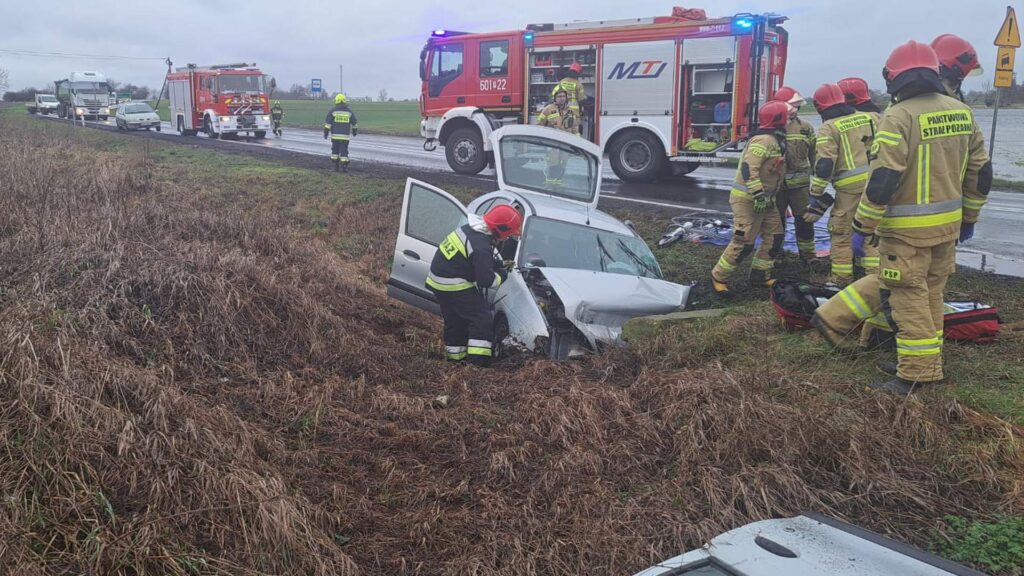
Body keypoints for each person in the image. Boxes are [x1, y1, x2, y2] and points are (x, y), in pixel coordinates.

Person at [812, 35, 987, 364]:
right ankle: (889, 341)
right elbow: (982, 172)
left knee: (908, 295)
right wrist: (969, 218)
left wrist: (862, 227)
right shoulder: (963, 112)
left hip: (904, 231)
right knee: (930, 293)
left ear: (893, 78)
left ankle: (917, 371)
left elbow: (883, 180)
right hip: (947, 228)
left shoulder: (898, 116)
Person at [427, 205, 523, 367]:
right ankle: (477, 364)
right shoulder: (481, 245)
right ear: (500, 230)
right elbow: (486, 280)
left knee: (456, 321)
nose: (506, 239)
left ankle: (455, 360)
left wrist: (498, 263)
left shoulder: (471, 230)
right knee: (482, 318)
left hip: (438, 281)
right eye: (507, 235)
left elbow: (474, 258)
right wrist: (503, 274)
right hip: (453, 283)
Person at [710, 100, 790, 295]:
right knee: (743, 241)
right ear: (779, 120)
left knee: (775, 237)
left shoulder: (775, 139)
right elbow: (748, 168)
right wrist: (758, 195)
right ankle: (719, 277)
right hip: (748, 200)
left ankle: (760, 275)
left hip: (766, 200)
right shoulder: (764, 141)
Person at [803, 83, 877, 285]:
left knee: (842, 233)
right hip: (877, 184)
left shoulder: (829, 127)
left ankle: (841, 279)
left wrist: (816, 192)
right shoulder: (870, 117)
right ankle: (873, 279)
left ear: (819, 107)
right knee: (871, 229)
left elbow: (825, 164)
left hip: (849, 190)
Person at [772, 86, 818, 265]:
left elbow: (815, 154)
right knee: (776, 223)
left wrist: (820, 181)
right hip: (777, 186)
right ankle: (775, 254)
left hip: (800, 187)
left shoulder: (805, 128)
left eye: (797, 107)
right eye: (792, 106)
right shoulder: (771, 128)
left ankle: (808, 255)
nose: (795, 111)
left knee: (805, 220)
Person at [536, 88, 580, 186]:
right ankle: (550, 182)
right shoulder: (548, 109)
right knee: (553, 162)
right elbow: (539, 124)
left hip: (565, 142)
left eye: (563, 96)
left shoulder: (570, 111)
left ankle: (558, 182)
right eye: (559, 96)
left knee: (563, 162)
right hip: (552, 142)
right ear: (555, 98)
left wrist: (577, 140)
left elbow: (574, 126)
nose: (562, 98)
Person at [323, 93, 358, 172]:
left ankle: (335, 168)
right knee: (344, 151)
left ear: (336, 101)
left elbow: (327, 124)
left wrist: (326, 133)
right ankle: (344, 168)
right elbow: (355, 123)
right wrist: (354, 132)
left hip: (335, 137)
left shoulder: (332, 111)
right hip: (345, 137)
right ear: (345, 101)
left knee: (335, 152)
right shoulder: (349, 112)